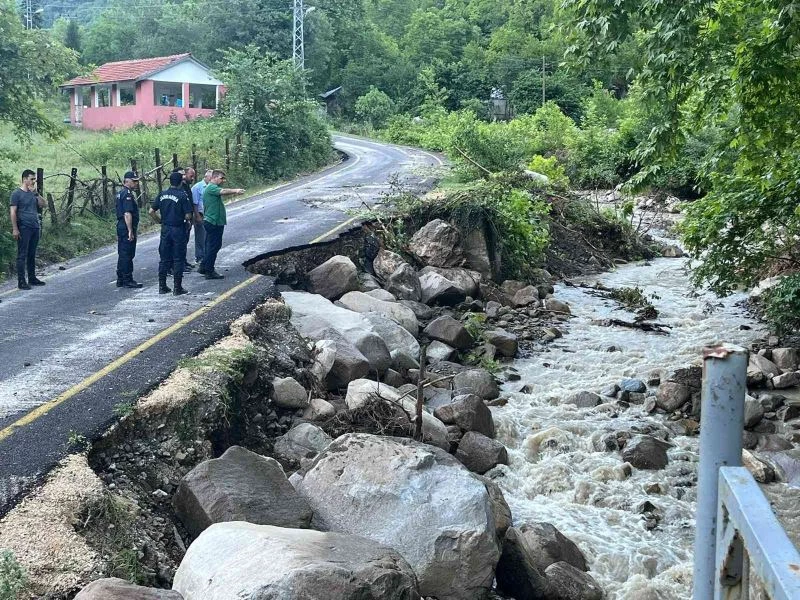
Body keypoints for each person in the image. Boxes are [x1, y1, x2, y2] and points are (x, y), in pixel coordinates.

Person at [150, 171, 193, 295]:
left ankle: (162, 286)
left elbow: (151, 211)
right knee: (178, 258)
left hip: (165, 229)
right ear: (180, 182)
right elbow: (188, 215)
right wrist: (186, 220)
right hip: (178, 228)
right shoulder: (182, 195)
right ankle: (177, 288)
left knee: (164, 258)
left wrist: (160, 221)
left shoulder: (162, 194)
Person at [199, 170, 244, 280]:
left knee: (211, 245)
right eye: (221, 178)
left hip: (214, 221)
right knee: (213, 246)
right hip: (213, 221)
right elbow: (223, 191)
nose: (223, 180)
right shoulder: (211, 187)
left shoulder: (212, 188)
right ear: (214, 178)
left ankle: (204, 266)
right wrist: (236, 191)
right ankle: (209, 271)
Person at [10, 170, 46, 290]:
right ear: (25, 179)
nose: (33, 181)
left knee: (32, 253)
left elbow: (43, 204)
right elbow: (13, 212)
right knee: (22, 254)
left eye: (34, 179)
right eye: (31, 179)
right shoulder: (16, 193)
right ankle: (21, 281)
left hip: (35, 226)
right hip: (24, 227)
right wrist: (15, 228)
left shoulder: (33, 193)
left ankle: (32, 278)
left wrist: (36, 194)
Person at [115, 171, 143, 288]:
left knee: (122, 253)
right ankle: (127, 279)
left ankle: (120, 278)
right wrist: (130, 230)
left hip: (121, 226)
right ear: (127, 181)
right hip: (126, 227)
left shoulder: (120, 193)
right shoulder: (127, 195)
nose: (136, 183)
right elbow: (127, 213)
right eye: (134, 181)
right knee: (127, 253)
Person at [191, 169, 212, 265]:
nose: (211, 180)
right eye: (210, 178)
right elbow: (194, 203)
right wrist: (197, 216)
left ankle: (207, 256)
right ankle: (200, 257)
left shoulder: (211, 187)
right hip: (200, 214)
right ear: (206, 177)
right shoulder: (197, 187)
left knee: (208, 237)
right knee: (201, 237)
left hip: (209, 215)